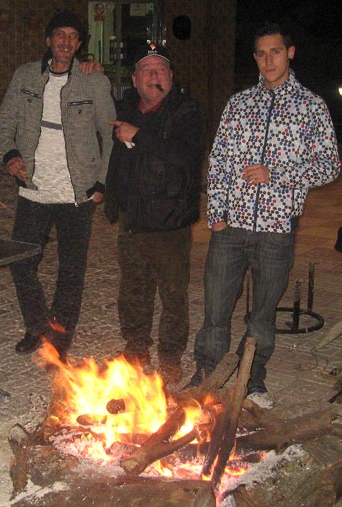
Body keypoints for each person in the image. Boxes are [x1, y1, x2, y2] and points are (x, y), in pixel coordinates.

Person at [189, 22, 341, 400]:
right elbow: (220, 161)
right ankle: (207, 372)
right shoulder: (239, 104)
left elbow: (330, 165)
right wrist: (216, 214)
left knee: (262, 313)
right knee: (216, 309)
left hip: (277, 229)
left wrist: (279, 174)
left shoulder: (310, 106)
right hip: (230, 227)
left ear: (289, 53)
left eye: (275, 51)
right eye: (261, 53)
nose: (268, 60)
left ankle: (252, 377)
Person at [0, 11, 116, 361]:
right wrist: (10, 155)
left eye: (73, 36)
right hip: (34, 187)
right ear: (48, 40)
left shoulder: (93, 82)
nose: (65, 42)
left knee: (71, 268)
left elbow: (110, 135)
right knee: (20, 262)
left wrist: (102, 182)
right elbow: (4, 123)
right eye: (59, 35)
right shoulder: (25, 76)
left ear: (79, 44)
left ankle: (60, 335)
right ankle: (36, 324)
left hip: (78, 191)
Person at [104, 43, 206, 383]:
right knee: (133, 287)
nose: (154, 77)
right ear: (134, 80)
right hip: (133, 219)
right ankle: (135, 347)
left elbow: (184, 155)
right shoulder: (127, 108)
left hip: (170, 221)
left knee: (172, 292)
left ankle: (170, 355)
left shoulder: (187, 112)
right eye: (146, 71)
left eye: (160, 70)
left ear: (171, 77)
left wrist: (141, 135)